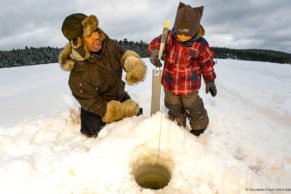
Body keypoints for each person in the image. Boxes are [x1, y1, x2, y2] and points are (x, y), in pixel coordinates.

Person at [59, 13, 146, 137]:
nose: (97, 36)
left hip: (118, 95)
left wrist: (133, 64)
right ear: (78, 43)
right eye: (89, 34)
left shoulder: (108, 45)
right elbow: (93, 103)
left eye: (95, 30)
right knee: (97, 132)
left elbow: (122, 55)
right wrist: (122, 111)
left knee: (137, 117)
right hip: (98, 107)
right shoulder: (77, 75)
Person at [148, 2, 217, 136]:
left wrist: (210, 80)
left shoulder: (201, 44)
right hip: (169, 82)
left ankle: (199, 124)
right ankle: (177, 124)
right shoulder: (168, 36)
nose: (181, 37)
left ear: (194, 31)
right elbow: (155, 44)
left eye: (186, 35)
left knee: (193, 105)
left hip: (189, 85)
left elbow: (207, 64)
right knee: (173, 105)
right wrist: (155, 53)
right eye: (179, 33)